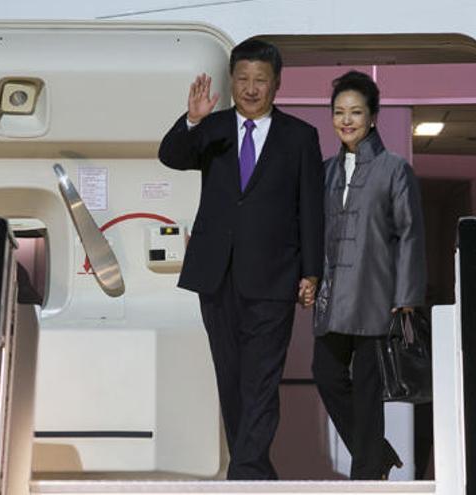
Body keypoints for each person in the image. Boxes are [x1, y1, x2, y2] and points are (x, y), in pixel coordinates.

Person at [157, 38, 324, 480]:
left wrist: (312, 271)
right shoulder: (210, 129)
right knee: (231, 380)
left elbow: (310, 206)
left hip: (274, 276)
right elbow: (170, 156)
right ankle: (254, 473)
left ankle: (246, 474)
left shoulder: (300, 136)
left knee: (262, 382)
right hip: (216, 275)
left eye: (260, 81)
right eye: (243, 79)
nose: (251, 89)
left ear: (277, 85)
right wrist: (191, 120)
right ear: (232, 81)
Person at [312, 70, 427, 480]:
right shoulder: (324, 171)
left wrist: (407, 294)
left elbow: (411, 232)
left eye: (356, 112)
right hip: (332, 295)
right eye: (339, 112)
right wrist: (310, 278)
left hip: (377, 294)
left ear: (373, 117)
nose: (346, 120)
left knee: (366, 390)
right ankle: (375, 454)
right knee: (325, 375)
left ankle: (365, 474)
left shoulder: (395, 169)